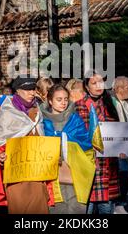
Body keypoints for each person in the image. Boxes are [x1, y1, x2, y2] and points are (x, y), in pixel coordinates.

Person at [0, 77, 50, 214]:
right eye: (27, 90)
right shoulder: (6, 111)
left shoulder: (37, 109)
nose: (31, 93)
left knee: (39, 207)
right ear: (17, 91)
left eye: (33, 89)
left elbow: (41, 135)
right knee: (19, 207)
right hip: (16, 171)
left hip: (36, 169)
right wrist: (0, 156)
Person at [41, 84, 94, 214]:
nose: (63, 103)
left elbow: (86, 144)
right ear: (50, 101)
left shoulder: (75, 120)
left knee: (76, 209)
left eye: (65, 99)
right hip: (51, 176)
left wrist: (63, 140)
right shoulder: (41, 122)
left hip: (74, 173)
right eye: (59, 99)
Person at [76, 71, 120, 214]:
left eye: (101, 82)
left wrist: (122, 147)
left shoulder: (110, 105)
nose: (98, 85)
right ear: (87, 87)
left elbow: (118, 133)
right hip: (87, 164)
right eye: (94, 83)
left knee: (106, 210)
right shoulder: (77, 107)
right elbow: (74, 135)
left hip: (107, 166)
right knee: (85, 211)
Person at [111, 76, 128, 214]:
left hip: (127, 145)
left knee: (125, 174)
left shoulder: (127, 103)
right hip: (115, 146)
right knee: (119, 174)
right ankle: (115, 204)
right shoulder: (110, 102)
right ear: (119, 89)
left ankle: (120, 204)